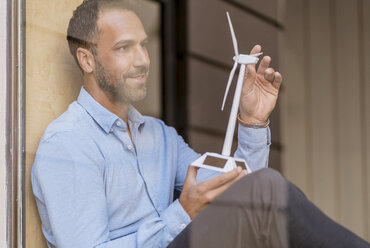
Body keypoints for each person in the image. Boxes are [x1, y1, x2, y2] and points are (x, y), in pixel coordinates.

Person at [31, 0, 370, 247]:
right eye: (124, 48)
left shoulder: (159, 137)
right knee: (267, 187)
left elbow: (239, 193)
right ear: (87, 59)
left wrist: (252, 122)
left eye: (144, 46)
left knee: (264, 192)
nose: (143, 60)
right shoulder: (68, 143)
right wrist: (183, 212)